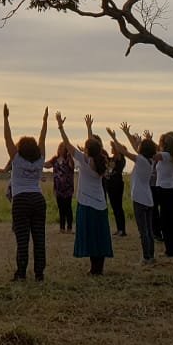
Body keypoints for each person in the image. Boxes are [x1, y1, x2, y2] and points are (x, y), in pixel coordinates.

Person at [59, 113, 112, 275]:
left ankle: (93, 268)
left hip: (87, 204)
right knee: (100, 236)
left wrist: (61, 127)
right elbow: (94, 146)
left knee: (90, 236)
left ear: (87, 150)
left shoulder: (84, 160)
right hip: (100, 204)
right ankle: (99, 268)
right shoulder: (100, 160)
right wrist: (89, 128)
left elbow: (67, 144)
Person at [3, 103, 49, 281]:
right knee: (39, 238)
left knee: (22, 239)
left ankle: (21, 273)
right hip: (38, 199)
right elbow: (43, 138)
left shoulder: (16, 158)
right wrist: (45, 121)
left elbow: (7, 137)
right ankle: (39, 273)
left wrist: (6, 118)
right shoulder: (40, 159)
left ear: (20, 148)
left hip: (21, 200)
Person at [111, 123, 157, 265]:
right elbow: (134, 148)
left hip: (140, 199)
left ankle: (146, 258)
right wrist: (127, 134)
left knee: (143, 231)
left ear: (142, 150)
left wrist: (114, 137)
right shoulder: (150, 160)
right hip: (148, 199)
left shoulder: (141, 160)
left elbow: (124, 151)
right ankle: (151, 256)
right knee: (149, 230)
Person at [154, 132, 173, 258]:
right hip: (168, 189)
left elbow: (152, 155)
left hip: (164, 190)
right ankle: (171, 250)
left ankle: (170, 251)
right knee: (169, 222)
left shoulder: (165, 155)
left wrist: (143, 144)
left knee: (166, 222)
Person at [45, 135, 75, 233]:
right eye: (60, 147)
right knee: (61, 208)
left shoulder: (69, 159)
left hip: (68, 187)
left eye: (63, 147)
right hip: (58, 188)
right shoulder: (55, 159)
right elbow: (47, 165)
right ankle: (62, 227)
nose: (61, 149)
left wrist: (70, 156)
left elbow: (71, 166)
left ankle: (69, 227)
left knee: (68, 207)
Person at [106, 137, 127, 237]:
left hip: (117, 184)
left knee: (118, 207)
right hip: (111, 184)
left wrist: (114, 141)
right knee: (115, 207)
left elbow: (118, 154)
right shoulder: (113, 158)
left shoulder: (121, 159)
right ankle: (119, 229)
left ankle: (122, 229)